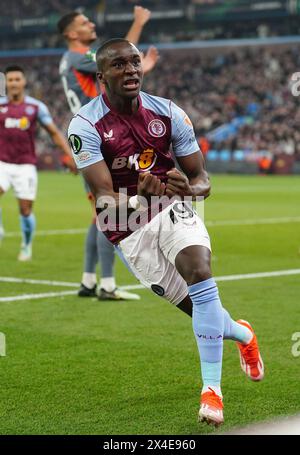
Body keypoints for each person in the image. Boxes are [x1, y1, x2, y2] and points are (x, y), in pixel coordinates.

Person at [68, 39, 264, 427]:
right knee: (203, 314)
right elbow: (104, 197)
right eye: (120, 65)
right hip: (124, 229)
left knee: (199, 270)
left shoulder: (170, 113)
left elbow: (201, 178)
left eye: (135, 62)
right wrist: (139, 199)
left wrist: (187, 189)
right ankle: (242, 333)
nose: (131, 70)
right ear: (101, 76)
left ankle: (212, 392)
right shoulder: (85, 124)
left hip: (171, 208)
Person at [58, 7, 158, 300]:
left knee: (97, 214)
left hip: (89, 135)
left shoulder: (70, 61)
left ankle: (90, 281)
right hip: (100, 135)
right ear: (71, 34)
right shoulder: (79, 57)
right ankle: (109, 285)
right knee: (111, 209)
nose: (90, 23)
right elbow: (118, 58)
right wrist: (138, 23)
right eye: (83, 22)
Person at [0, 65, 76, 261]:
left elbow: (53, 133)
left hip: (25, 165)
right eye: (10, 80)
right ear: (6, 83)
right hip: (2, 162)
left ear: (24, 82)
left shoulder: (36, 107)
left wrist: (69, 156)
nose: (14, 83)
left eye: (18, 79)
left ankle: (26, 245)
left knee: (25, 210)